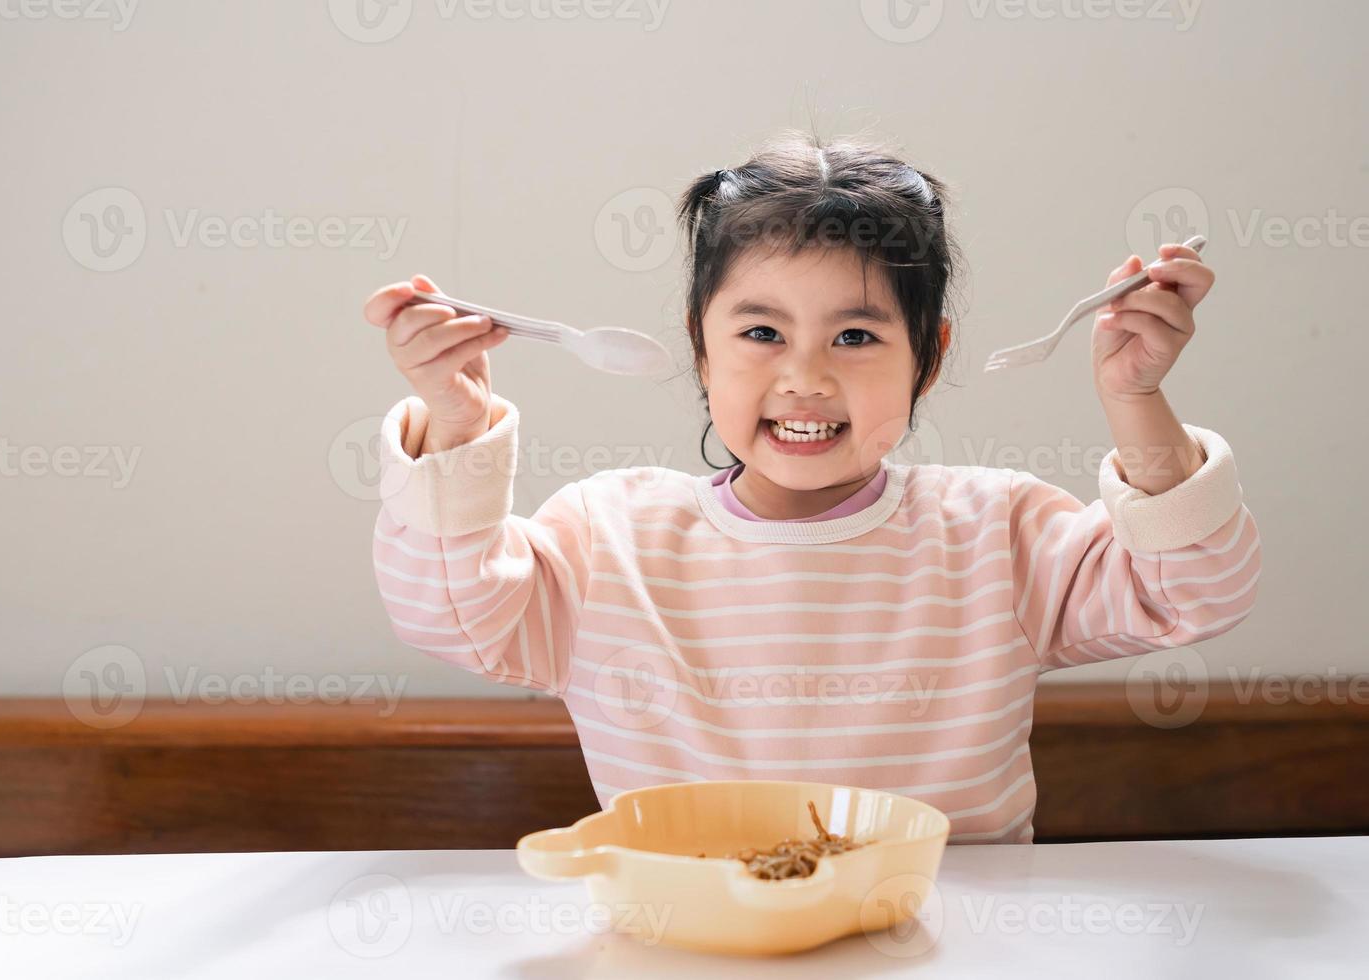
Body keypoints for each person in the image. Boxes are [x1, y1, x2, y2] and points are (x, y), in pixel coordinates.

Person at [360, 130, 1261, 844]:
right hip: (689, 948)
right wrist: (453, 419)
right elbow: (452, 612)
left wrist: (1134, 398)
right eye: (759, 332)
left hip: (948, 945)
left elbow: (1188, 593)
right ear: (698, 343)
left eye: (856, 337)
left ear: (928, 357)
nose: (803, 377)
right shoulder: (610, 538)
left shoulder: (997, 531)